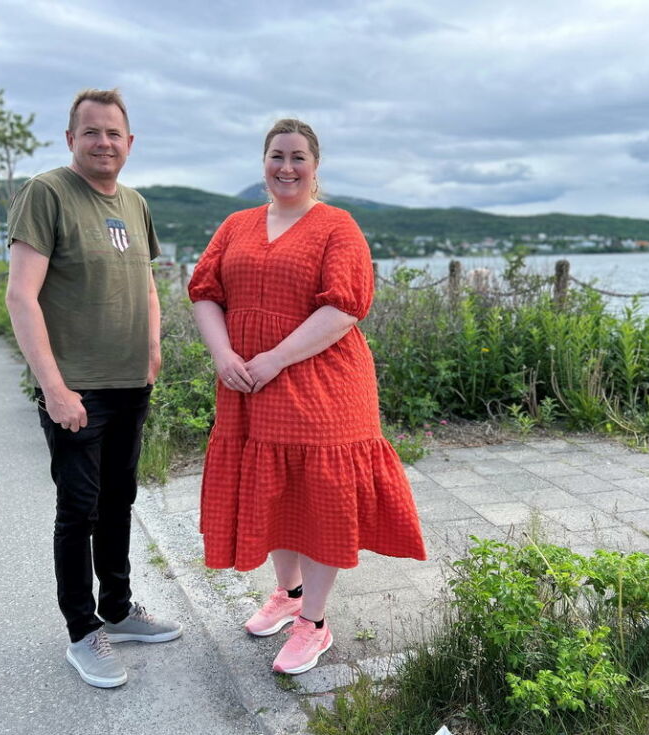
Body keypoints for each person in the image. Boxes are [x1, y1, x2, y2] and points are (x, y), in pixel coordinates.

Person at [188, 118, 426, 675]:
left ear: (316, 167)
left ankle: (313, 623)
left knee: (319, 498)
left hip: (321, 383)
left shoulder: (337, 226)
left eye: (298, 157)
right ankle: (288, 594)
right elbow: (204, 291)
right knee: (275, 490)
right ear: (263, 162)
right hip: (247, 380)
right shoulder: (236, 224)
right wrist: (224, 356)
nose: (286, 167)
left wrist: (273, 358)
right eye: (276, 156)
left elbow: (344, 307)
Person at [5, 89, 182, 689]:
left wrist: (153, 349)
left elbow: (149, 286)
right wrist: (53, 386)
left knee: (118, 503)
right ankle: (83, 632)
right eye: (91, 132)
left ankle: (119, 610)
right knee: (77, 512)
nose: (103, 142)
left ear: (129, 144)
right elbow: (20, 296)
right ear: (70, 139)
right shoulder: (47, 193)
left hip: (131, 382)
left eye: (113, 133)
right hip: (76, 390)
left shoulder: (135, 203)